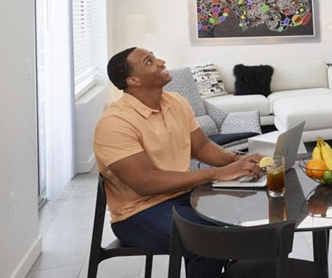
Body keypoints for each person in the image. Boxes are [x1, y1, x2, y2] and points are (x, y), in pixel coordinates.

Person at [93, 47, 266, 277]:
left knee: (245, 220)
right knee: (207, 242)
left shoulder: (176, 102)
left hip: (183, 194)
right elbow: (146, 182)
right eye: (149, 61)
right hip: (139, 213)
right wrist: (216, 173)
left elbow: (202, 147)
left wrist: (237, 160)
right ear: (133, 80)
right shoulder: (115, 123)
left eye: (155, 57)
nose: (162, 62)